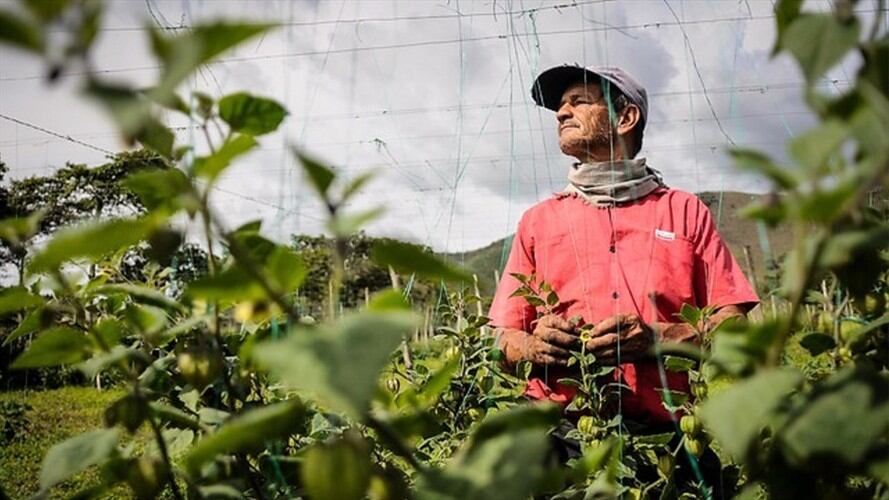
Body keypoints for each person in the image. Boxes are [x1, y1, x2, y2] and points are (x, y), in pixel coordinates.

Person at [488, 65, 759, 439]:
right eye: (560, 107)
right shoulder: (538, 222)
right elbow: (503, 339)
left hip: (664, 434)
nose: (562, 113)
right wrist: (533, 346)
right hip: (560, 433)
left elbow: (734, 329)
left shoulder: (683, 211)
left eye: (578, 102)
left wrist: (655, 338)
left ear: (626, 117)